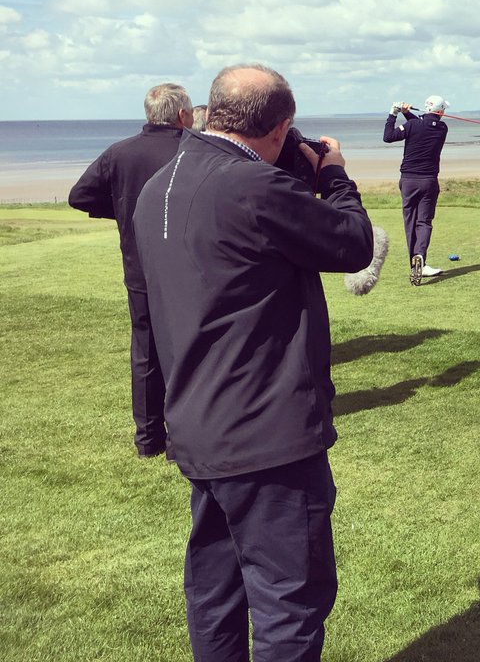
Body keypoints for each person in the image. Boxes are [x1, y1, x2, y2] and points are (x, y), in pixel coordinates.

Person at [132, 64, 374, 662]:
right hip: (268, 434)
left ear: (211, 112)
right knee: (289, 599)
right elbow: (352, 243)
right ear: (281, 126)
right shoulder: (254, 188)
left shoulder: (161, 184)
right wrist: (335, 172)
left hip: (198, 421)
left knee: (215, 592)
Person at [68, 82, 193, 458]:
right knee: (188, 351)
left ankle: (148, 440)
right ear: (183, 115)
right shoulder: (190, 150)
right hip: (187, 267)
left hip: (139, 266)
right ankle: (184, 437)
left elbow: (80, 195)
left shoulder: (119, 152)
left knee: (146, 353)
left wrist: (125, 211)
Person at [384, 95, 450, 285]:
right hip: (429, 181)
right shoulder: (443, 129)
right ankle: (420, 256)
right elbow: (423, 125)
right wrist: (406, 113)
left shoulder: (413, 126)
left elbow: (388, 137)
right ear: (440, 111)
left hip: (408, 181)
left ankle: (415, 264)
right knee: (424, 222)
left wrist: (393, 113)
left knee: (410, 222)